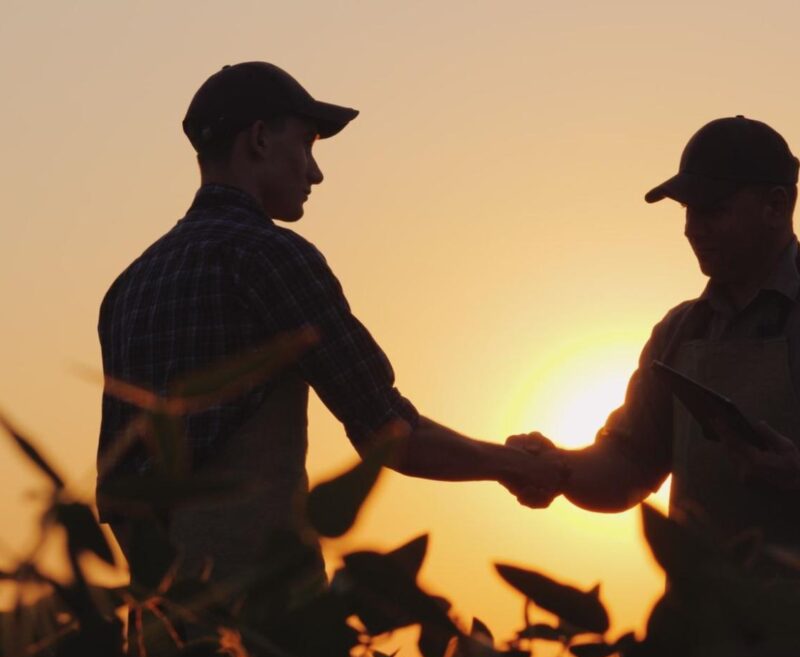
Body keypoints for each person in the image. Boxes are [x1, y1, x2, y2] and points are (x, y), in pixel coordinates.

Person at [96, 62, 564, 583]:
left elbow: (115, 491)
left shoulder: (127, 288)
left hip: (157, 630)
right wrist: (515, 465)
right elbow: (388, 431)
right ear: (258, 140)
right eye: (307, 144)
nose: (315, 172)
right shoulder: (271, 257)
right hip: (263, 620)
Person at [509, 116, 800, 552]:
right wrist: (556, 468)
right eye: (687, 211)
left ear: (776, 206)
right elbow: (628, 467)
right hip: (701, 616)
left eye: (712, 210)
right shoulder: (678, 333)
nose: (691, 229)